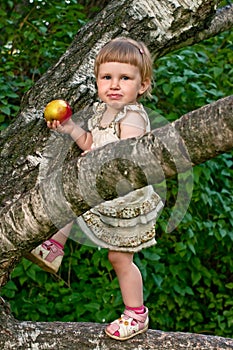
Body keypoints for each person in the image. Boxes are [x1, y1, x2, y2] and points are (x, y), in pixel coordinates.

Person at [26, 37, 163, 341]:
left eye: (124, 78)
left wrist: (98, 159)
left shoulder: (135, 117)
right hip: (103, 190)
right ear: (98, 81)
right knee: (67, 195)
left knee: (119, 259)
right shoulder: (103, 112)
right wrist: (71, 128)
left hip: (125, 200)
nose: (114, 85)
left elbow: (122, 152)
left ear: (142, 85)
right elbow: (92, 143)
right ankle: (53, 248)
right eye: (107, 78)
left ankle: (136, 314)